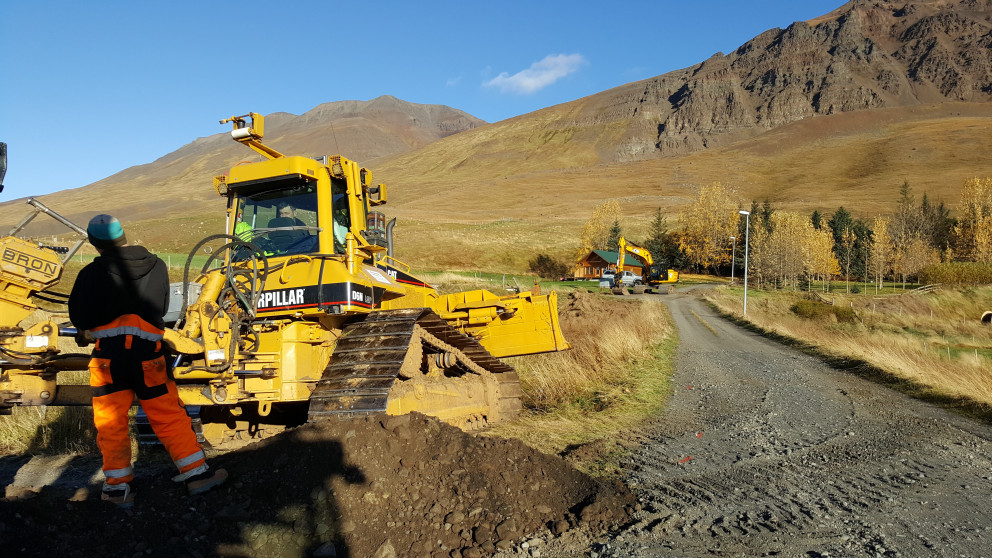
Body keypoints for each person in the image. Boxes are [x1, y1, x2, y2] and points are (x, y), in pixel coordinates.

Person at [68, 214, 227, 508]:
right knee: (168, 416)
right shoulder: (156, 265)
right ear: (123, 235)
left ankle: (117, 490)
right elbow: (163, 308)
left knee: (111, 422)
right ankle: (196, 475)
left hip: (109, 360)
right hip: (148, 356)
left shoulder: (91, 274)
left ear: (94, 243)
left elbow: (79, 318)